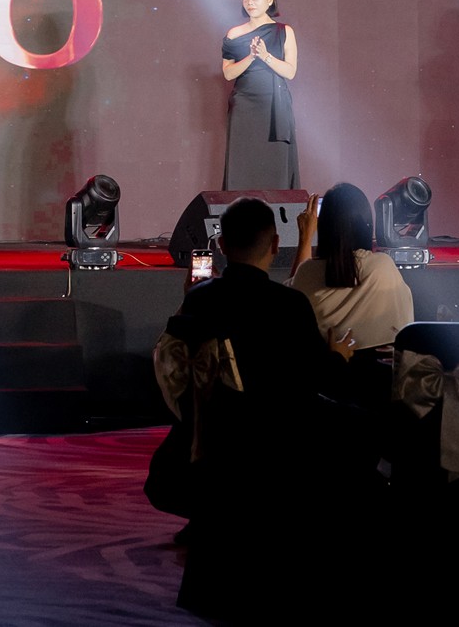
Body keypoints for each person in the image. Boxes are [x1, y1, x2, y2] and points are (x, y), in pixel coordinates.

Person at [159, 198, 354, 622]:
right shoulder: (289, 304)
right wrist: (339, 355)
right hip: (282, 446)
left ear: (222, 245)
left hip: (218, 442)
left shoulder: (201, 300)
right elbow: (321, 377)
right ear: (275, 244)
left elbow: (176, 366)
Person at [286, 183, 414, 350]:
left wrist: (305, 238)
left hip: (330, 366)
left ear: (323, 227)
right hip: (382, 366)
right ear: (367, 224)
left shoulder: (307, 272)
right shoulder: (383, 266)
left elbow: (288, 304)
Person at [220, 0, 300, 192]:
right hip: (244, 105)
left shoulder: (284, 31)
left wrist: (265, 56)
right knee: (242, 165)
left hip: (274, 106)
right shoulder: (235, 33)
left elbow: (290, 72)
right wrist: (251, 57)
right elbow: (228, 73)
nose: (250, 2)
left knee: (276, 170)